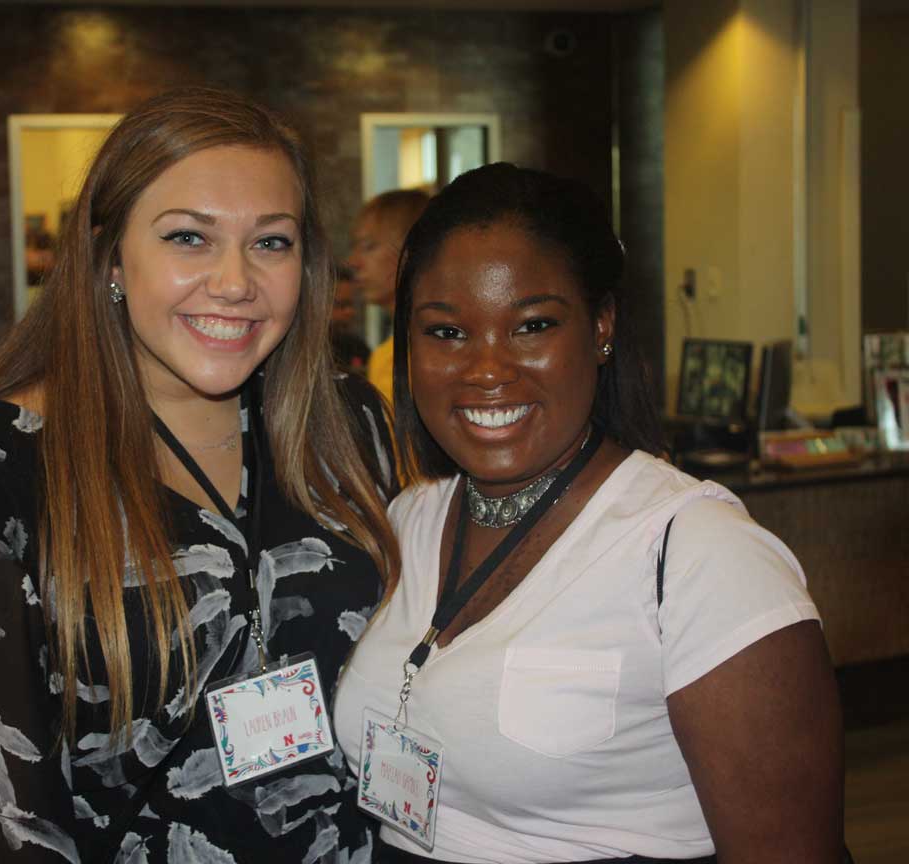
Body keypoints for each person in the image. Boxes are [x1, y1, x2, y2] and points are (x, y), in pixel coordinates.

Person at [0, 88, 401, 863]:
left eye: (271, 243)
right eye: (189, 238)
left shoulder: (347, 427)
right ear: (109, 259)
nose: (235, 281)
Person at [334, 163, 844, 863]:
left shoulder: (697, 553)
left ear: (601, 326)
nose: (486, 369)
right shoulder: (406, 520)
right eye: (447, 333)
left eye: (531, 325)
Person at [346, 188, 430, 403]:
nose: (353, 262)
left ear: (411, 250)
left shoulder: (412, 357)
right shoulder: (390, 354)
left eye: (368, 246)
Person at [330, 266, 372, 374]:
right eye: (341, 305)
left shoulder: (358, 348)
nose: (350, 312)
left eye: (352, 305)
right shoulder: (298, 353)